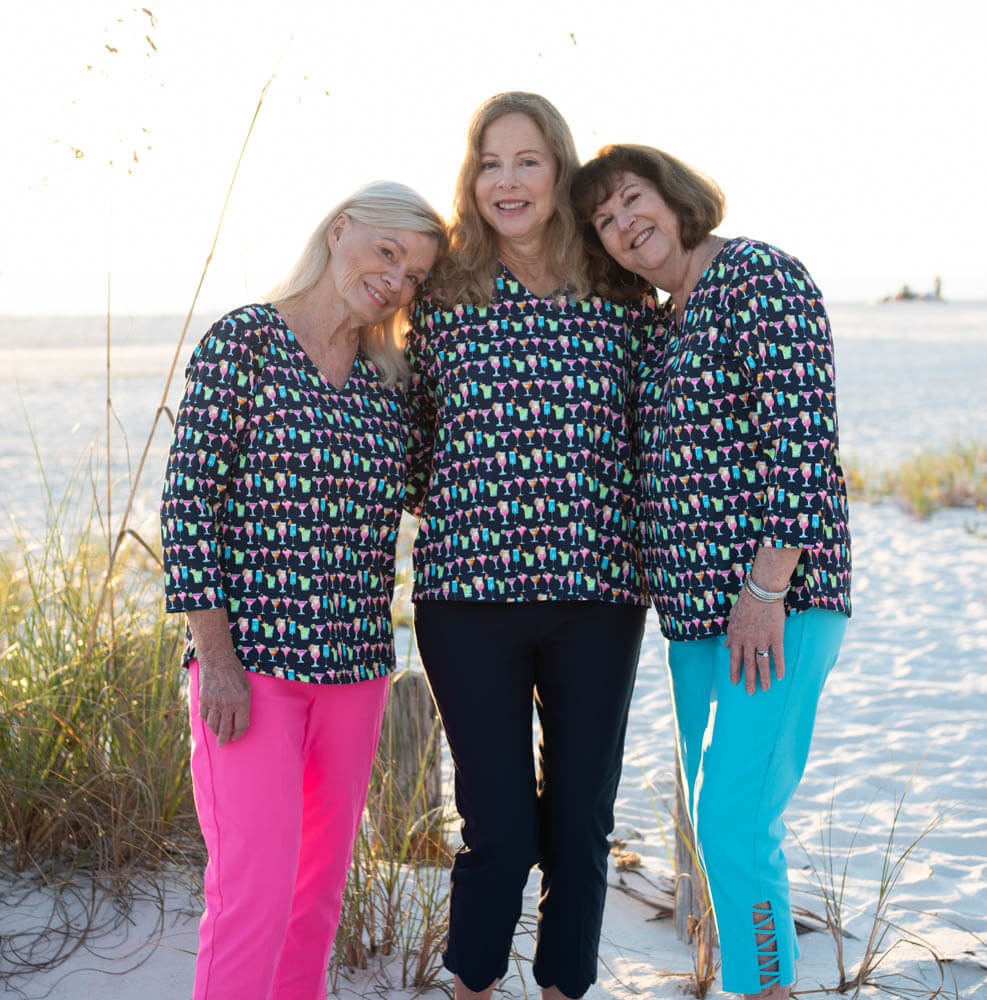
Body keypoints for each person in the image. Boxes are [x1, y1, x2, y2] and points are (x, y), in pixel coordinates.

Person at [571, 145, 851, 1000]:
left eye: (632, 200)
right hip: (694, 621)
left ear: (674, 193)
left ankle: (767, 989)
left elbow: (802, 447)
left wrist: (764, 593)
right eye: (606, 223)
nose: (625, 227)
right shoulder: (665, 322)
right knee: (716, 820)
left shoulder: (760, 277)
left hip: (775, 605)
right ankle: (758, 984)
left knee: (733, 819)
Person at [160, 180, 445, 1000]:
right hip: (249, 670)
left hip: (355, 671)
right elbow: (188, 513)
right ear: (341, 229)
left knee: (316, 897)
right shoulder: (243, 342)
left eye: (416, 275)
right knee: (252, 890)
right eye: (388, 252)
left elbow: (436, 488)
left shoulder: (391, 379)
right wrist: (215, 658)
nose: (395, 281)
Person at [406, 93, 649, 1000]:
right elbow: (414, 439)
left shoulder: (621, 292)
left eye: (528, 161)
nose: (506, 181)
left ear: (560, 171)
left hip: (599, 598)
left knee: (581, 818)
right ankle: (470, 982)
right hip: (468, 600)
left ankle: (562, 988)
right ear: (472, 179)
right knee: (498, 823)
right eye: (489, 162)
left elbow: (651, 431)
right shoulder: (442, 296)